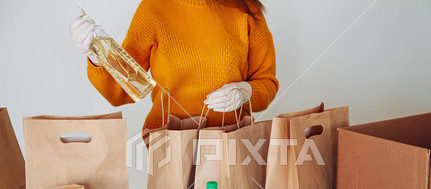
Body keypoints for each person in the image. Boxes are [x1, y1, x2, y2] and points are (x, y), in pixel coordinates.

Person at [70, 0, 279, 138]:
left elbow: (267, 82)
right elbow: (123, 90)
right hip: (169, 144)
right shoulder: (153, 9)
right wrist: (96, 53)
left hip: (231, 141)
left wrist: (246, 92)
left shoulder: (245, 10)